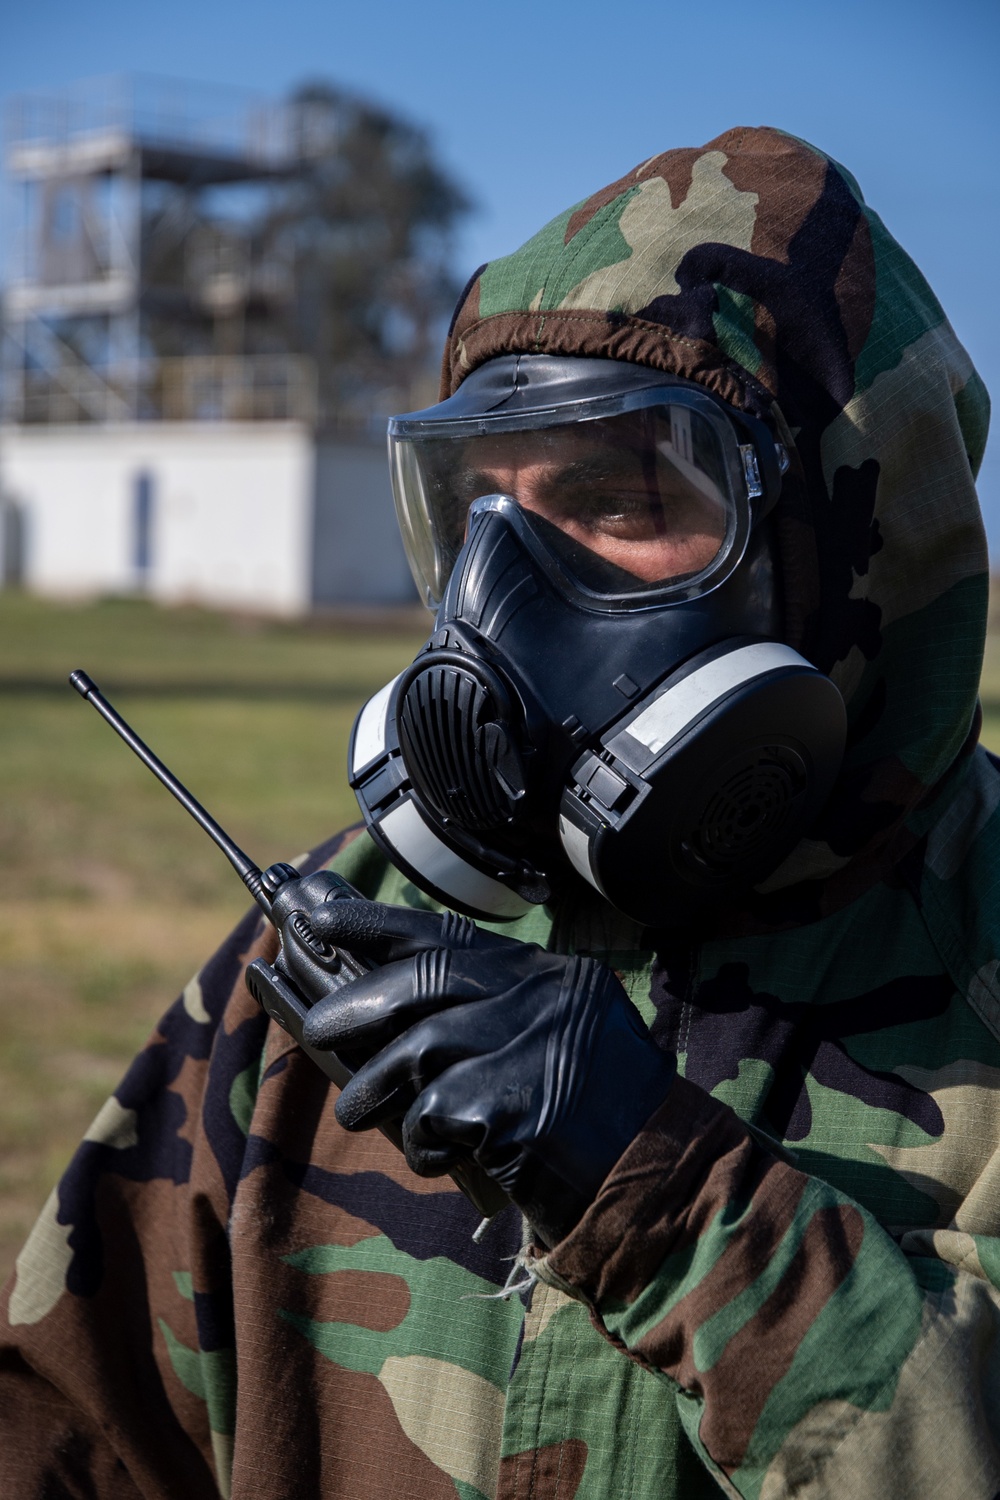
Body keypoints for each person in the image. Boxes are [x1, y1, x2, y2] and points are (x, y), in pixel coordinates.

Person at [1, 124, 996, 1499]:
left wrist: (666, 1197)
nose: (498, 597)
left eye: (618, 501)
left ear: (848, 546)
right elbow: (72, 1431)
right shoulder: (340, 956)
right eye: (475, 510)